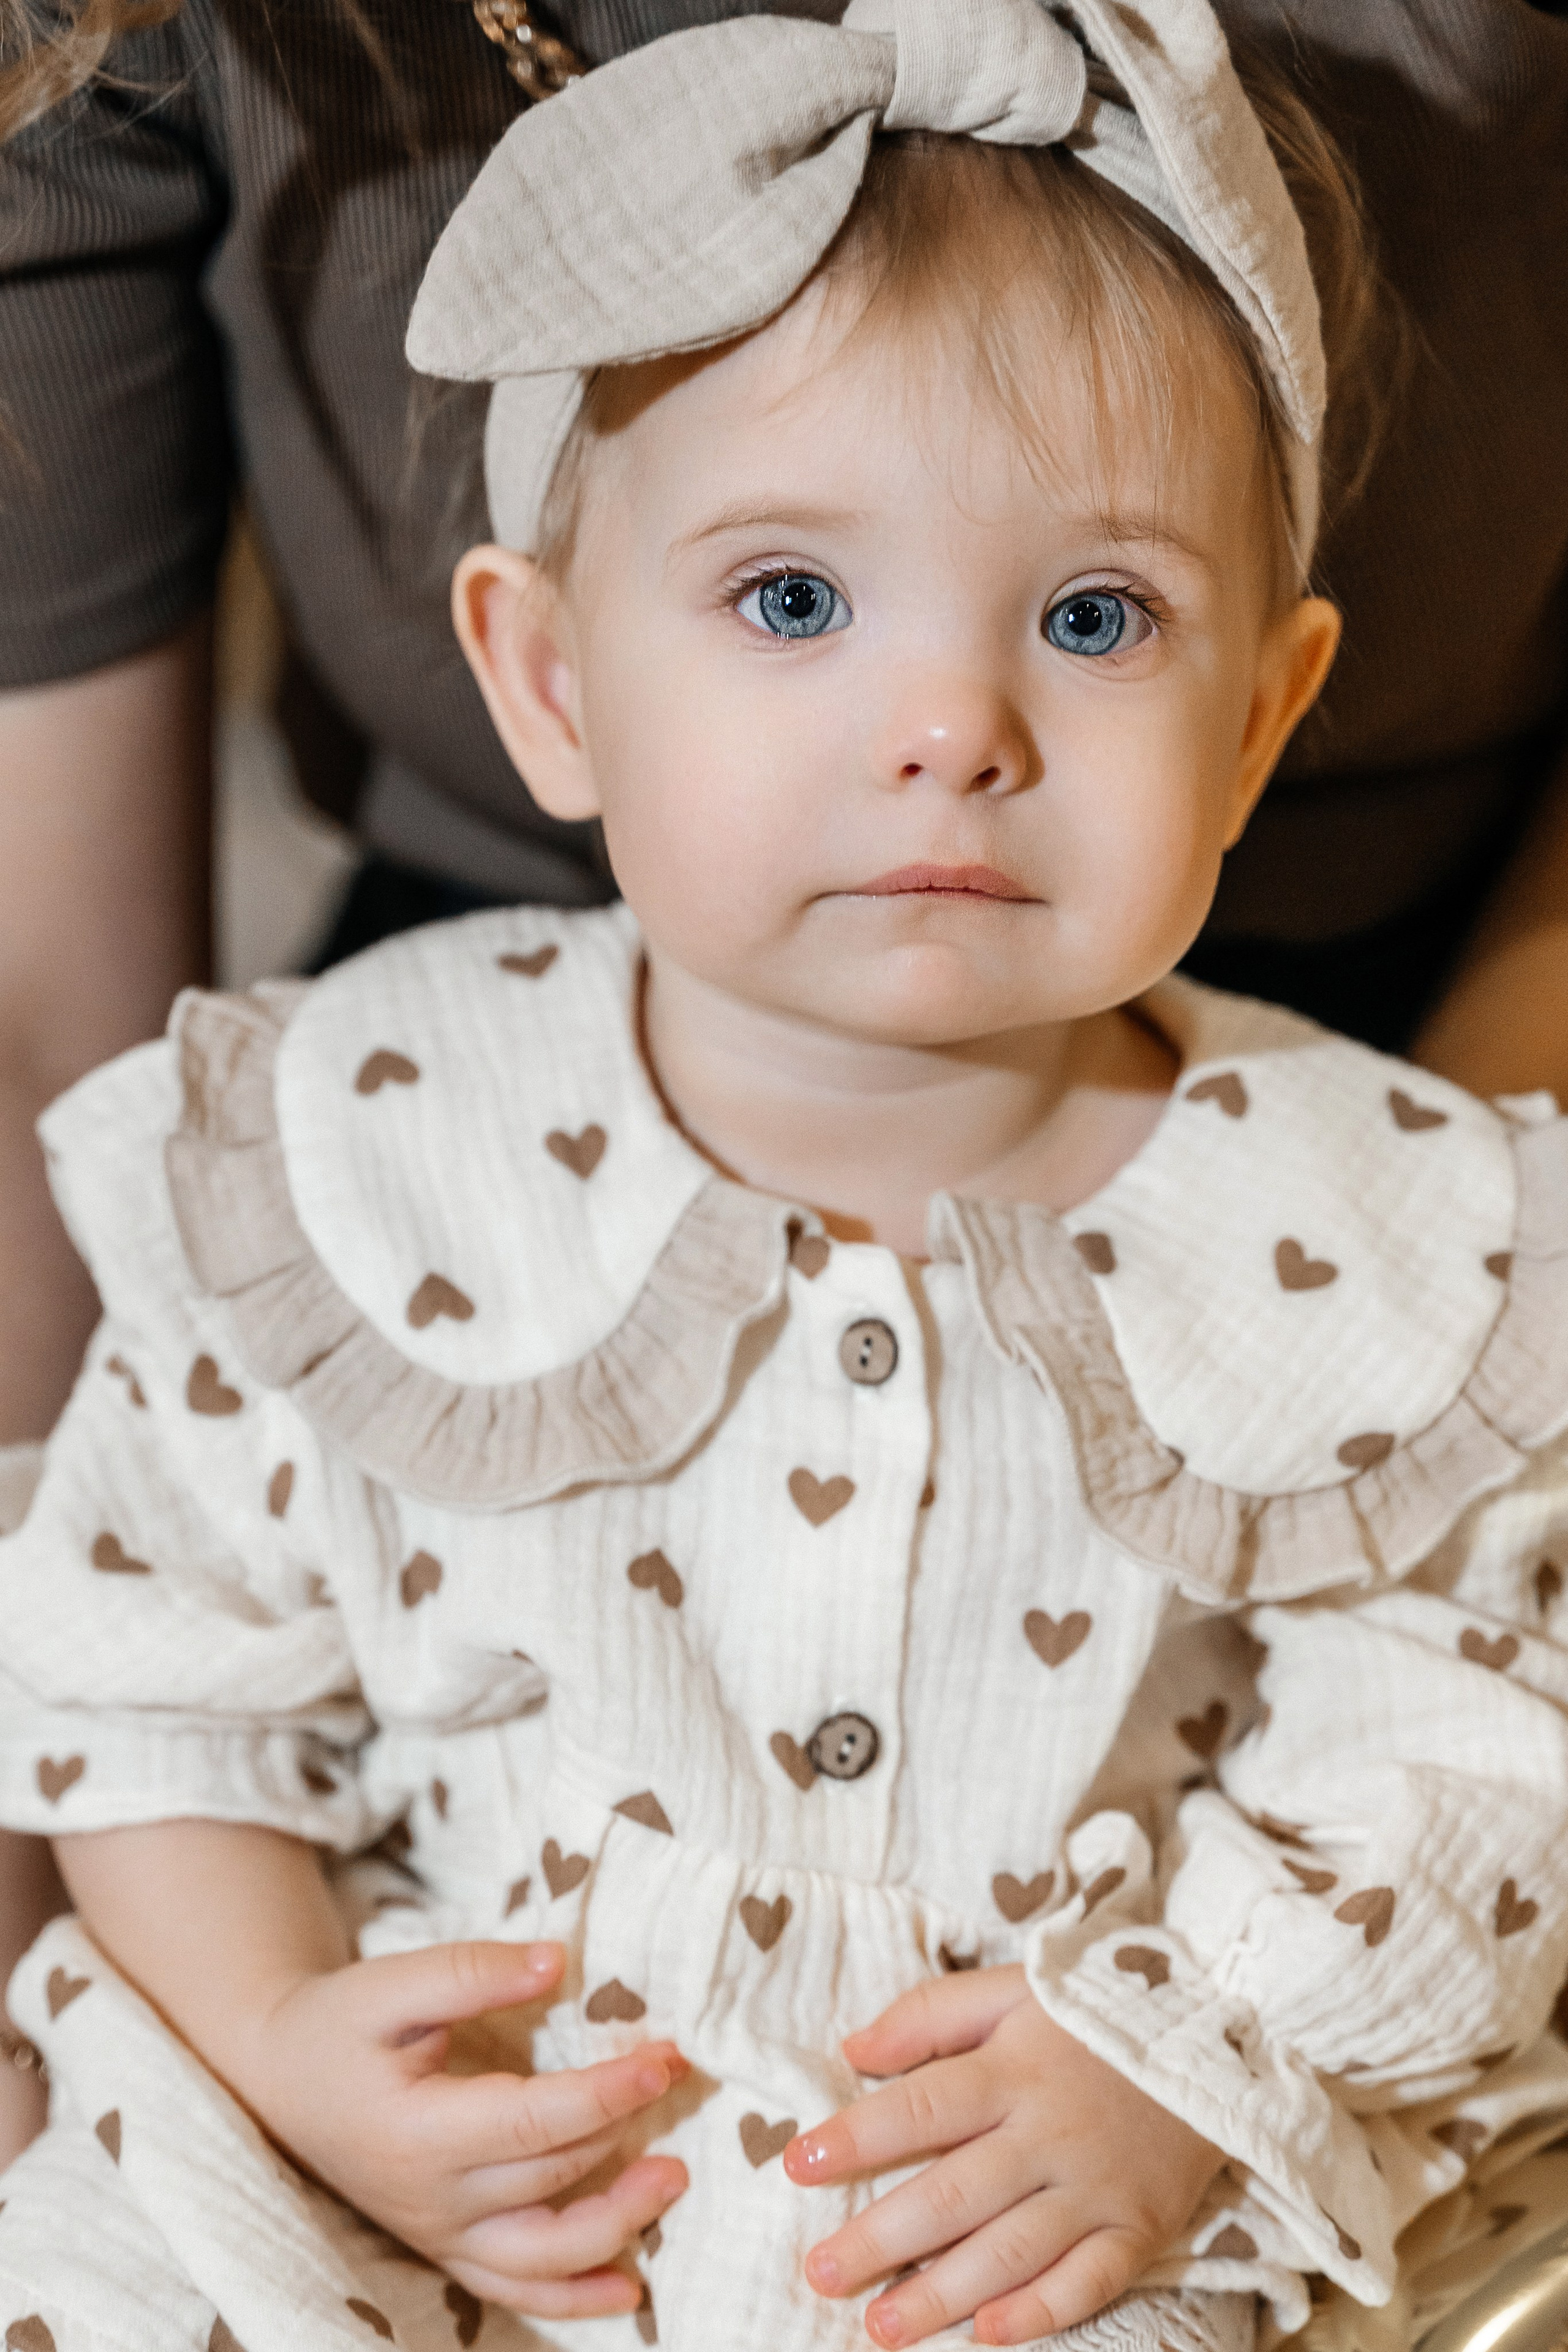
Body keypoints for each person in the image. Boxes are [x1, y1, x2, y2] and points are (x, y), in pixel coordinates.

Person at [1, 5, 1567, 2348]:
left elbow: (1485, 1723)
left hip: (1022, 2225)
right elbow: (143, 1657)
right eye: (795, 603)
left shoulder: (1380, 1237)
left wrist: (1182, 2072)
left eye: (1097, 617)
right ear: (545, 681)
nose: (953, 721)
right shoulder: (361, 1158)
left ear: (1260, 720)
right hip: (436, 2181)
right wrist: (279, 2039)